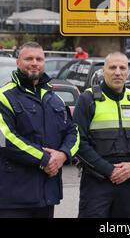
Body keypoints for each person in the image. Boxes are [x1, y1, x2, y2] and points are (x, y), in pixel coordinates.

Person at [0, 42, 80, 218]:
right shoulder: (4, 96)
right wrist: (45, 159)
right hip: (14, 199)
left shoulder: (55, 99)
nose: (34, 62)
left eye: (39, 59)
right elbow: (5, 139)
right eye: (29, 58)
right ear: (18, 63)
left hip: (46, 195)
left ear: (44, 63)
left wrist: (63, 156)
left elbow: (73, 132)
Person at [73, 51, 130, 218]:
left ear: (127, 72)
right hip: (96, 181)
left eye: (122, 68)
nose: (117, 72)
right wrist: (109, 170)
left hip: (128, 181)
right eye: (112, 67)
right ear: (103, 70)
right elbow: (78, 142)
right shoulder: (88, 99)